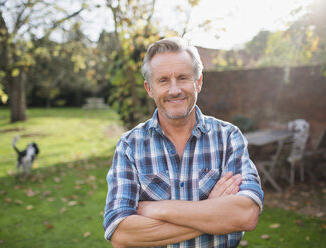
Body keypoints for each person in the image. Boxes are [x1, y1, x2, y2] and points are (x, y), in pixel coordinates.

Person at [103, 37, 264, 248]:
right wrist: (214, 212)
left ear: (198, 82)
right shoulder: (129, 146)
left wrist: (159, 209)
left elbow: (246, 214)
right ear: (149, 88)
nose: (174, 90)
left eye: (182, 78)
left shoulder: (228, 137)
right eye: (163, 80)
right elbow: (121, 234)